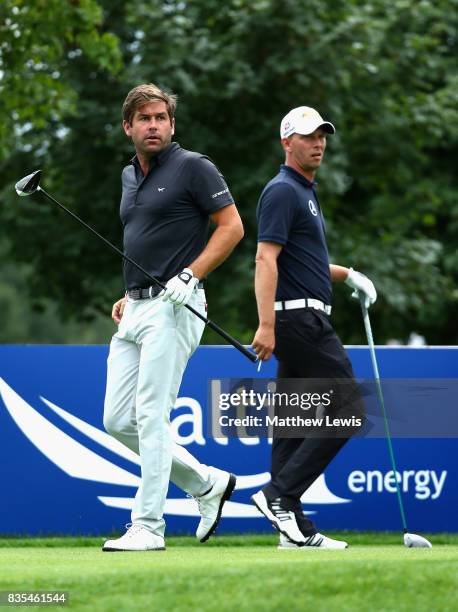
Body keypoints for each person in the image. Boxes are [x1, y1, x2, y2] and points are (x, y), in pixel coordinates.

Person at [102, 83, 244, 551]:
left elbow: (232, 227)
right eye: (144, 119)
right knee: (117, 420)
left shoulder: (194, 167)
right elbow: (144, 239)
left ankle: (148, 525)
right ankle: (207, 484)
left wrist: (191, 274)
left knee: (151, 415)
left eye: (161, 117)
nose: (154, 125)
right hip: (136, 308)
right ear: (128, 127)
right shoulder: (128, 176)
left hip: (177, 305)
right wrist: (129, 294)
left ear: (172, 124)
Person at [250, 106, 376, 549]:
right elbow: (266, 258)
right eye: (307, 136)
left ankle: (294, 529)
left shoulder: (304, 191)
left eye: (322, 135)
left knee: (293, 423)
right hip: (299, 320)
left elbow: (304, 260)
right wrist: (266, 325)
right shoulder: (283, 190)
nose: (318, 142)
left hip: (302, 314)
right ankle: (279, 496)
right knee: (350, 409)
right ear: (287, 143)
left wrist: (348, 275)